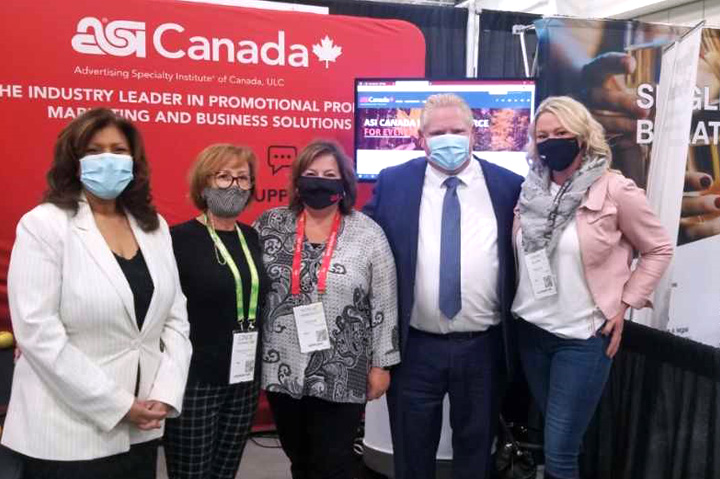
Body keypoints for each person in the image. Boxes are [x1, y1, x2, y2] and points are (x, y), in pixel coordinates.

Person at [2, 108, 192, 479]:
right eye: (94, 150)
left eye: (119, 150)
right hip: (65, 432)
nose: (109, 159)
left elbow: (175, 319)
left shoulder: (154, 228)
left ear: (134, 161)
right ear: (74, 162)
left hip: (142, 427)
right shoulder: (44, 224)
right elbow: (37, 332)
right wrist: (118, 404)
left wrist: (165, 394)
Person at [511, 96, 673, 479]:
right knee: (560, 437)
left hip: (582, 339)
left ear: (583, 137)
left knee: (560, 450)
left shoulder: (615, 189)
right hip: (531, 331)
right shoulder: (530, 191)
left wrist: (625, 303)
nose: (552, 141)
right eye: (543, 135)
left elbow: (659, 248)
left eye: (562, 133)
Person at [363, 93, 523, 479]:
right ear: (421, 138)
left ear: (473, 134)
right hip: (415, 347)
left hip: (483, 348)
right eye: (437, 132)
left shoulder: (509, 186)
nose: (448, 139)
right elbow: (363, 245)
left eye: (457, 130)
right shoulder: (394, 182)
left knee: (475, 452)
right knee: (412, 453)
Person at [254, 140, 400, 479]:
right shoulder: (269, 224)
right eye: (311, 174)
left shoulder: (368, 233)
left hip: (343, 371)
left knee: (332, 463)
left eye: (329, 174)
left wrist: (383, 364)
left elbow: (384, 301)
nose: (319, 181)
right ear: (296, 181)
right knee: (300, 459)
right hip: (283, 369)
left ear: (345, 183)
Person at [163, 144, 269, 479]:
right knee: (191, 472)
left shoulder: (251, 236)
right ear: (204, 183)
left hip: (243, 377)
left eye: (242, 178)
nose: (234, 186)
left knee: (226, 471)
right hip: (195, 378)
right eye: (223, 177)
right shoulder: (178, 239)